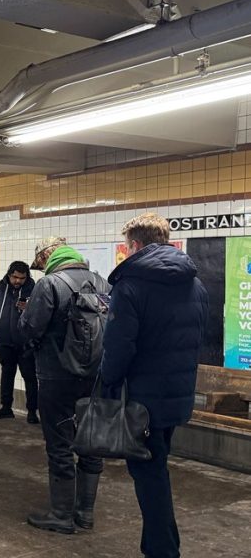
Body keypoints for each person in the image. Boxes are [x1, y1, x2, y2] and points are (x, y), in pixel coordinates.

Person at [100, 214, 208, 558]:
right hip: (176, 397)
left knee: (149, 477)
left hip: (141, 402)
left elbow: (118, 347)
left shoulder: (130, 286)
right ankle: (157, 546)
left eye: (127, 246)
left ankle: (163, 551)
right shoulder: (195, 284)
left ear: (135, 245)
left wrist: (107, 387)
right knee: (156, 468)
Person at [19, 237, 110, 534]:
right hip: (96, 376)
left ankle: (61, 514)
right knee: (91, 442)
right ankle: (85, 512)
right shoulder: (101, 282)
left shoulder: (50, 284)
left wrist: (26, 317)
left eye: (41, 262)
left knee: (59, 444)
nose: (41, 267)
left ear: (48, 256)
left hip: (56, 375)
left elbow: (29, 328)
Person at [0, 261, 39, 423]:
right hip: (4, 341)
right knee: (7, 374)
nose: (17, 281)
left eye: (21, 278)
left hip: (26, 344)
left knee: (30, 377)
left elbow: (41, 315)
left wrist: (28, 310)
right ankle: (6, 408)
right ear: (9, 275)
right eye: (14, 277)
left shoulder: (35, 292)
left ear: (27, 277)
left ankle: (32, 412)